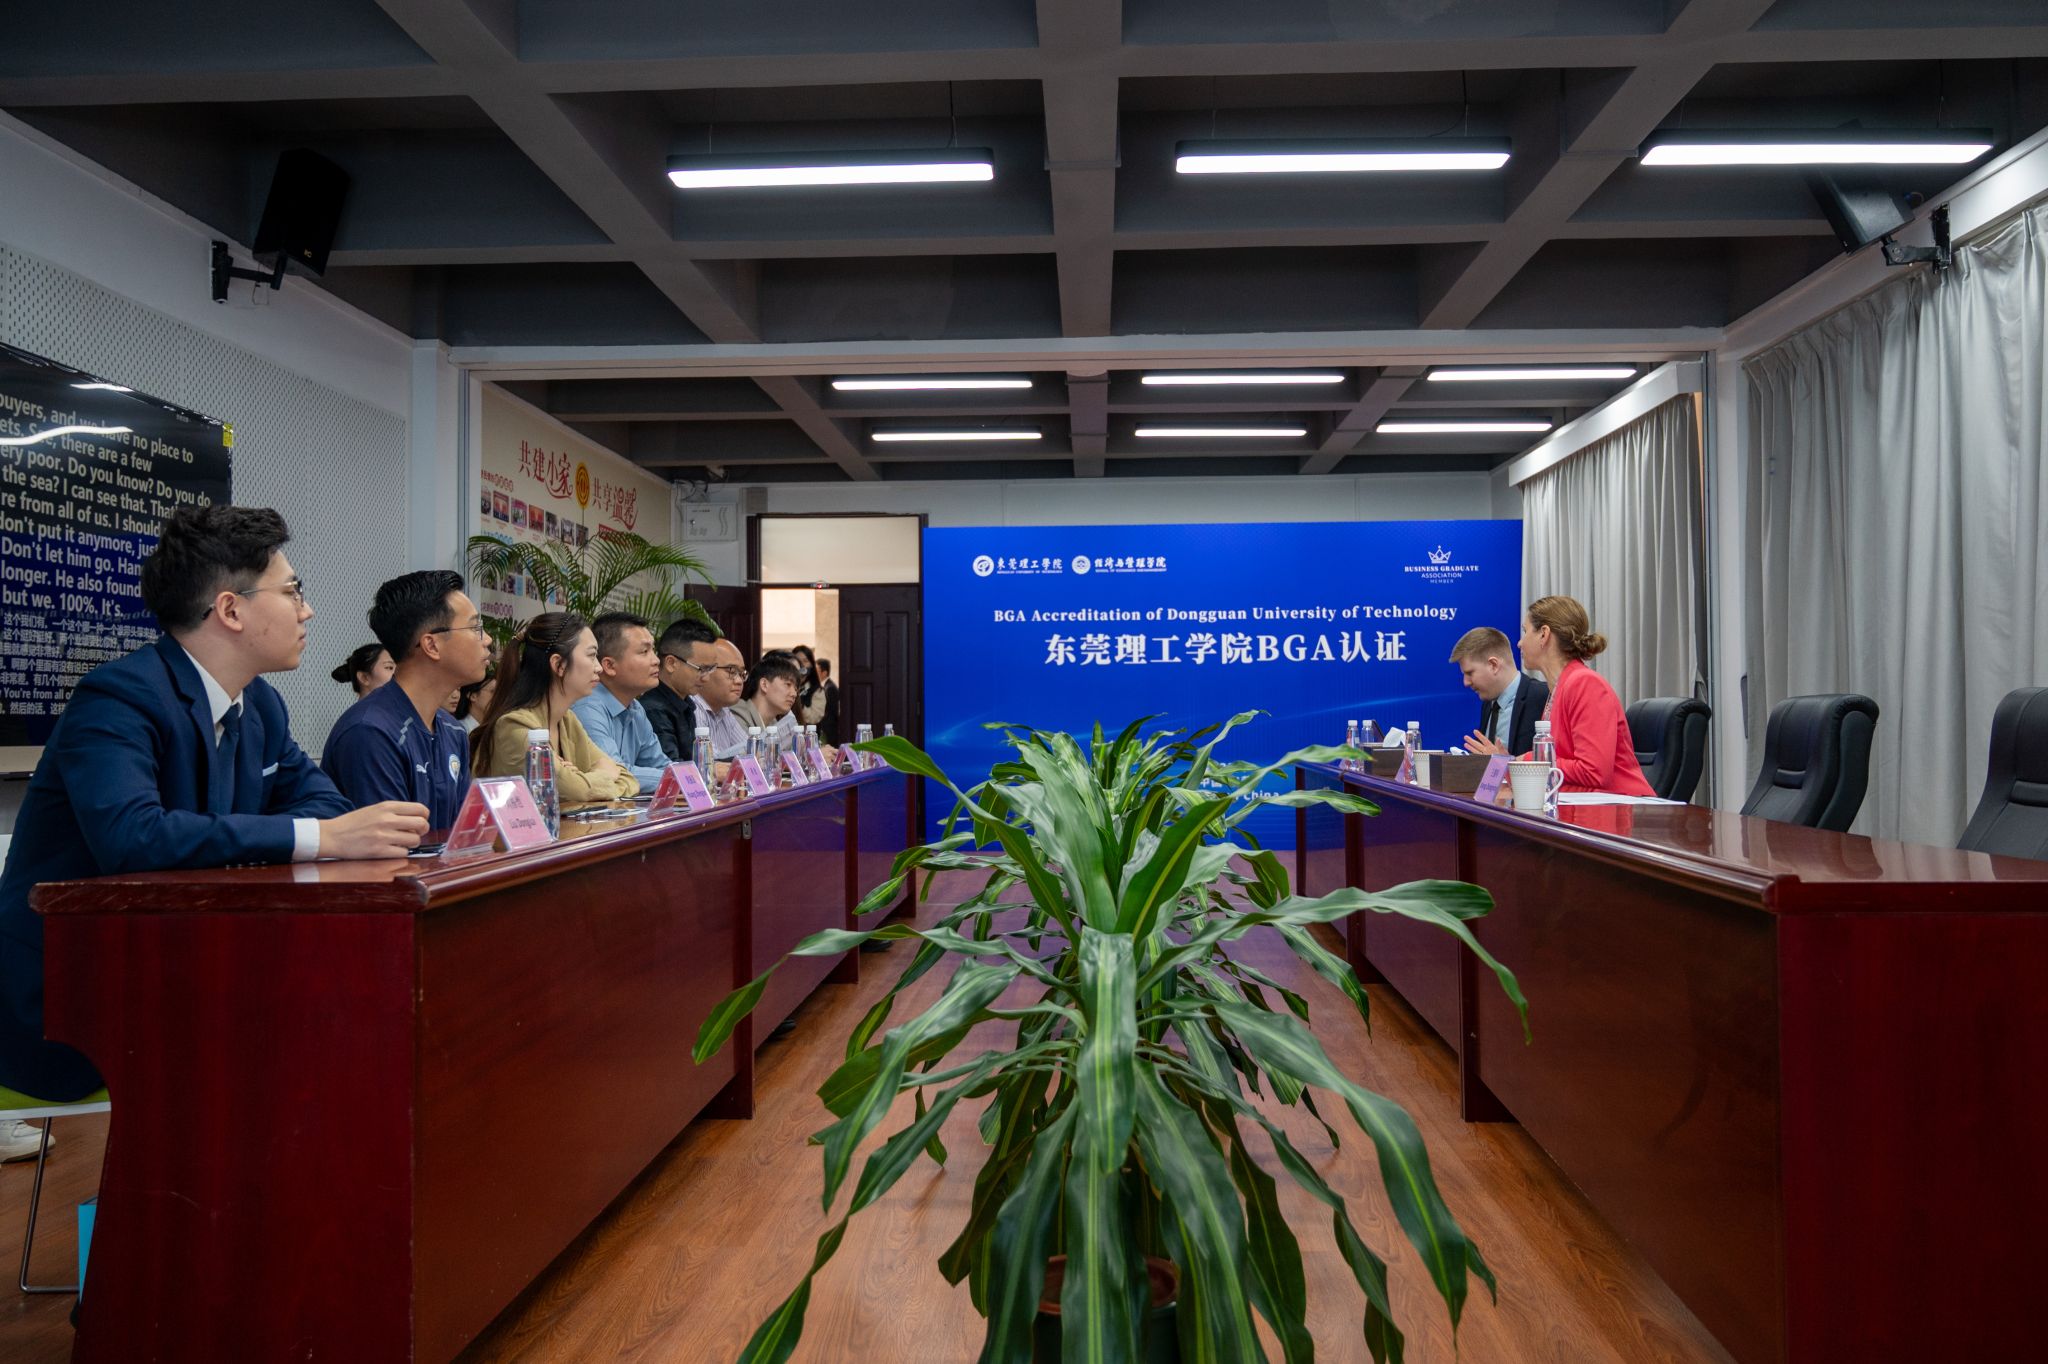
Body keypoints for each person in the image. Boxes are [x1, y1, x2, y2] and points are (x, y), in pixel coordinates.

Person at [0, 505, 429, 1112]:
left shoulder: (262, 706)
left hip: (189, 970)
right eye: (292, 591)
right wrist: (320, 839)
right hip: (75, 995)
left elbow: (325, 801)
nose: (306, 610)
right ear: (230, 609)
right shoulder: (118, 697)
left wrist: (320, 829)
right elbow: (132, 837)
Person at [321, 570, 492, 829]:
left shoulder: (453, 730)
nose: (487, 639)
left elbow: (461, 835)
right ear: (431, 645)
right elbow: (385, 846)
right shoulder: (371, 733)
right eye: (475, 628)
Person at [470, 611, 639, 806]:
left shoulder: (566, 720)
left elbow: (628, 779)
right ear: (559, 665)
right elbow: (573, 790)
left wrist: (583, 779)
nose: (599, 667)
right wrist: (599, 775)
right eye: (592, 655)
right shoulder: (514, 726)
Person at [1517, 595, 1655, 796]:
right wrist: (1512, 765)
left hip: (1622, 807)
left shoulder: (1584, 684)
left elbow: (1594, 772)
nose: (1520, 643)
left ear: (1544, 634)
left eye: (1525, 631)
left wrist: (1530, 761)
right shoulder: (1560, 688)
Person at [571, 611, 673, 793]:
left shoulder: (635, 708)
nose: (656, 660)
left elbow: (659, 764)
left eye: (653, 650)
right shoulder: (587, 708)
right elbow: (615, 774)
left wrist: (684, 777)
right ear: (609, 666)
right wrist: (679, 778)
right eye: (644, 652)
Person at [1448, 626, 1550, 757]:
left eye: (1470, 673)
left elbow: (1552, 759)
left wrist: (1505, 762)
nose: (1465, 682)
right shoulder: (1488, 704)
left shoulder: (1543, 697)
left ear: (1493, 665)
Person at [642, 617, 718, 762]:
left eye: (711, 669)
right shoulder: (654, 710)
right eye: (701, 669)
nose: (706, 678)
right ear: (671, 663)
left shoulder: (685, 703)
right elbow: (671, 768)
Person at [693, 636, 752, 762]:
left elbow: (751, 751)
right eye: (731, 671)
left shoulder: (724, 710)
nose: (739, 681)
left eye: (742, 674)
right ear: (706, 669)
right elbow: (711, 763)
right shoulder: (693, 707)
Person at [731, 653, 805, 750]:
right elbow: (749, 757)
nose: (794, 694)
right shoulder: (737, 717)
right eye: (788, 684)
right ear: (764, 685)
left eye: (795, 689)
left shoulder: (774, 724)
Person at [454, 668, 496, 735]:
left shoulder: (495, 729)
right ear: (473, 696)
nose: (497, 697)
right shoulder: (459, 730)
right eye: (492, 691)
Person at [813, 657, 842, 746]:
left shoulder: (830, 688)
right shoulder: (825, 686)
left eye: (816, 671)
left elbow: (832, 711)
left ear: (824, 673)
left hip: (829, 730)